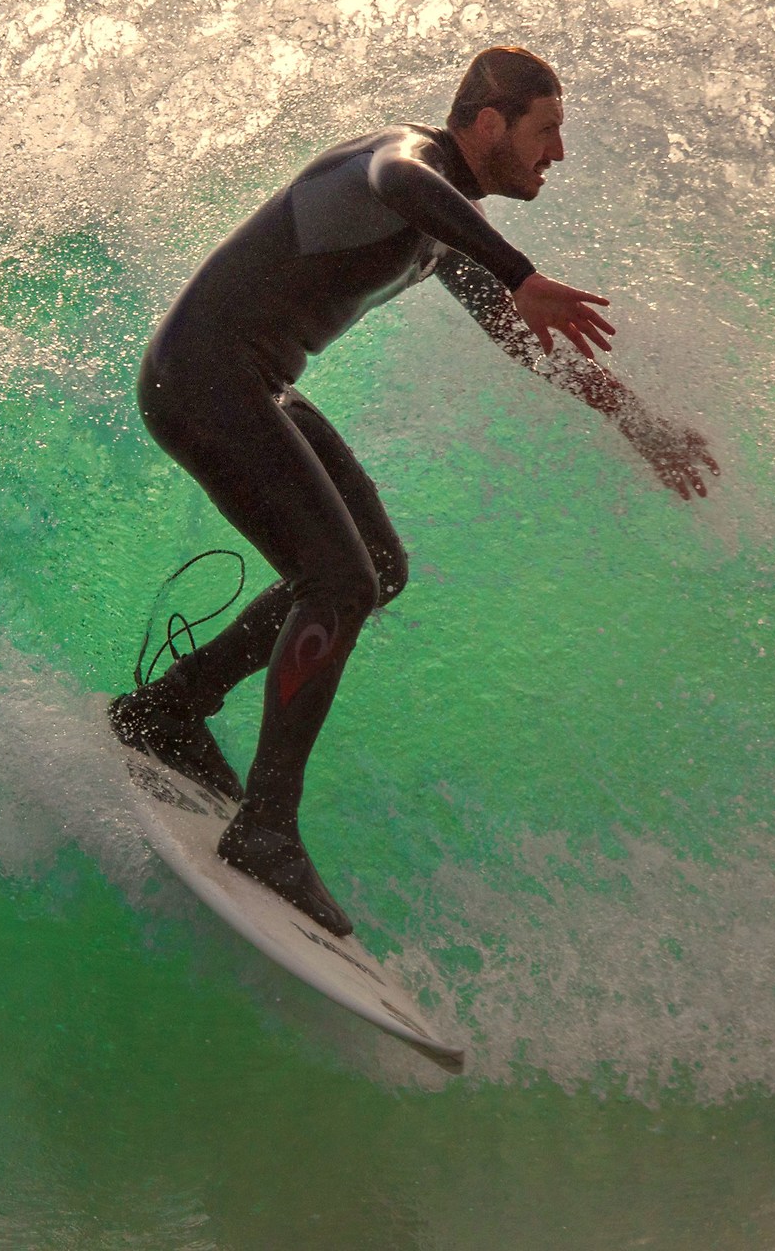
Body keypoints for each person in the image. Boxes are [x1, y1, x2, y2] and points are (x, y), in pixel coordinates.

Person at [111, 47, 718, 936]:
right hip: (205, 378)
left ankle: (170, 708)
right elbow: (398, 178)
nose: (557, 154)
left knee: (377, 568)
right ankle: (266, 830)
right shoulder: (405, 162)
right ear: (486, 125)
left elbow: (521, 338)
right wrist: (522, 269)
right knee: (339, 581)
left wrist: (633, 419)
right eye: (545, 131)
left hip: (249, 384)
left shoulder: (445, 226)